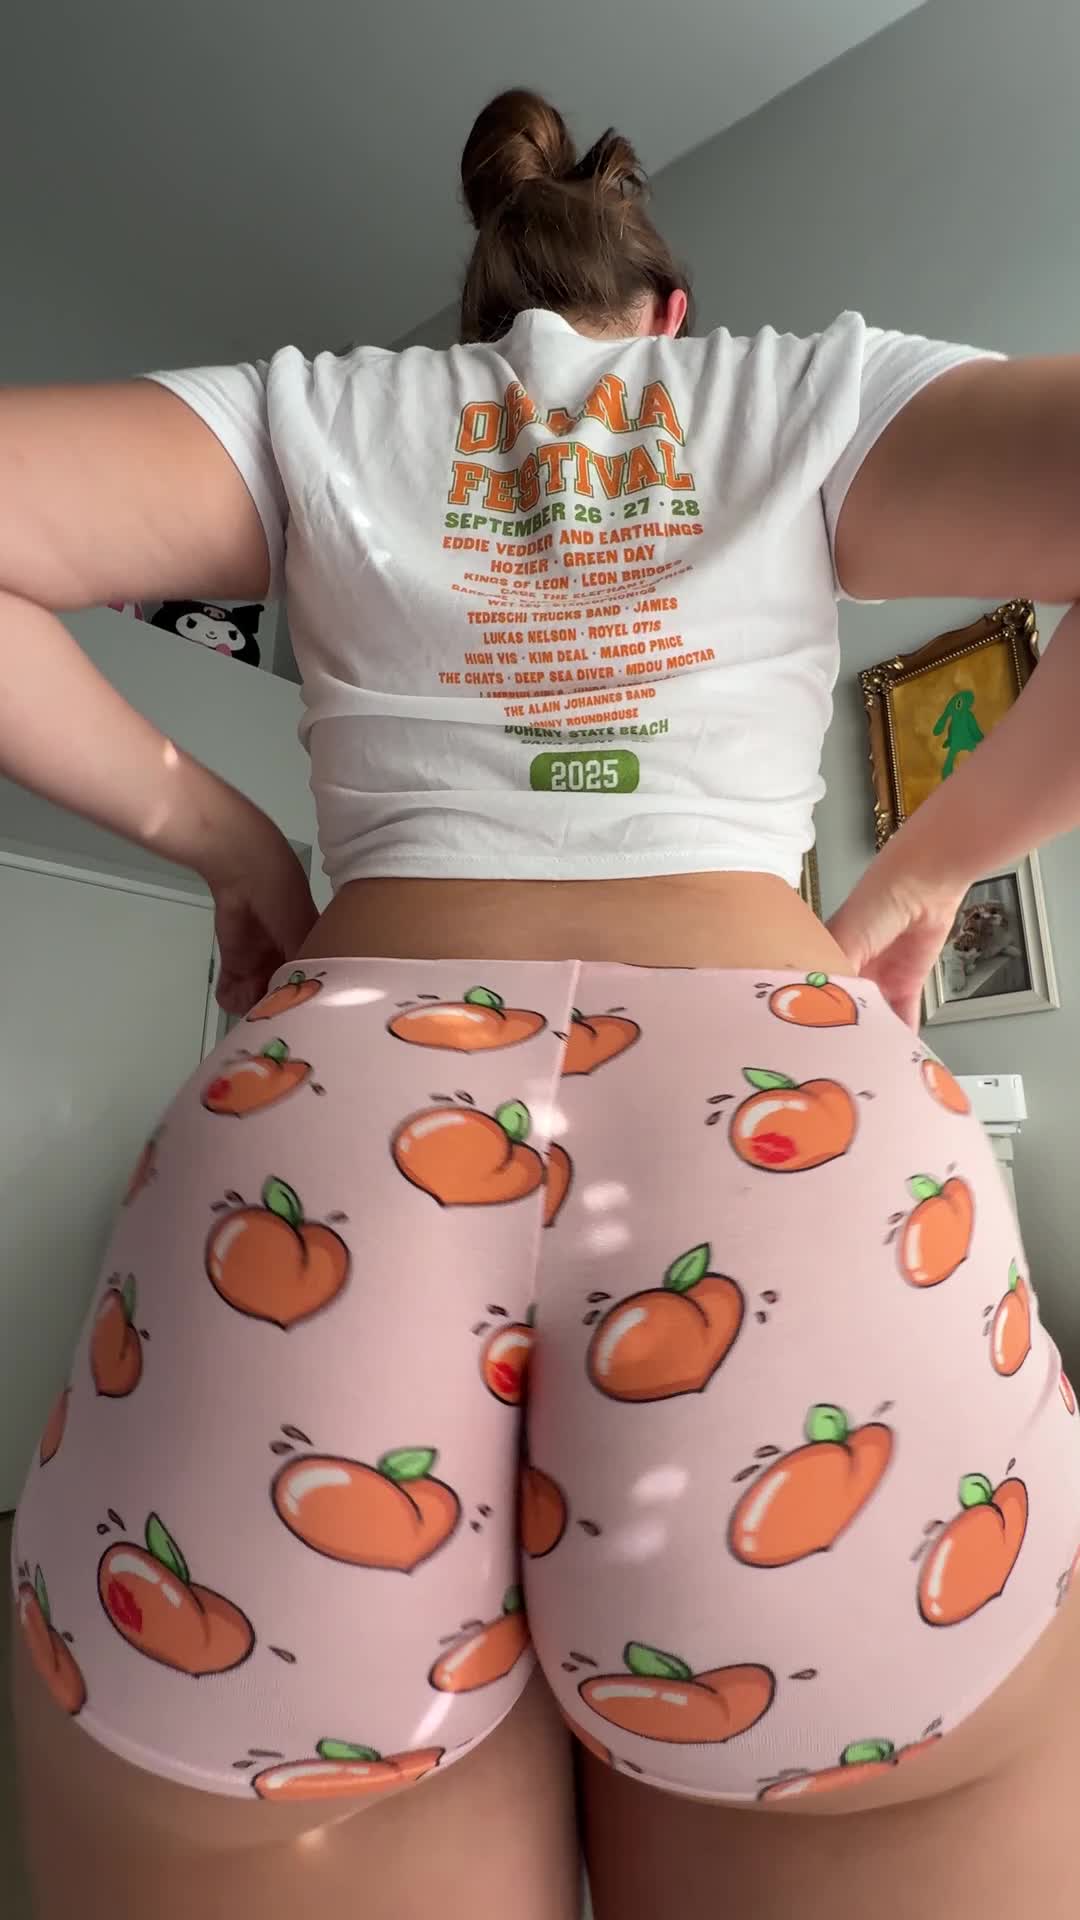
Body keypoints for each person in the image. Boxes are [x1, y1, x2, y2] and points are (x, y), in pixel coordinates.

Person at [5, 84, 1080, 1920]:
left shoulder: (319, 415)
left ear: (478, 315)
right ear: (673, 315)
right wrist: (920, 876)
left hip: (331, 1134)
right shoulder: (797, 397)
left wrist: (235, 849)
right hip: (792, 1142)